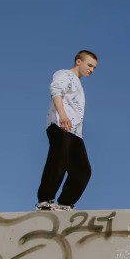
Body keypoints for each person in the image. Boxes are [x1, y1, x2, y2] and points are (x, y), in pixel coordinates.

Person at [35, 50, 98, 211]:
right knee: (58, 158)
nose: (91, 70)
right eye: (89, 65)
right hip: (59, 124)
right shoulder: (64, 74)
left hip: (75, 132)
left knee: (83, 170)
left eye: (94, 68)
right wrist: (62, 115)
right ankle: (45, 201)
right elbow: (56, 91)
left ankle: (64, 203)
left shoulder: (78, 83)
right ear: (78, 61)